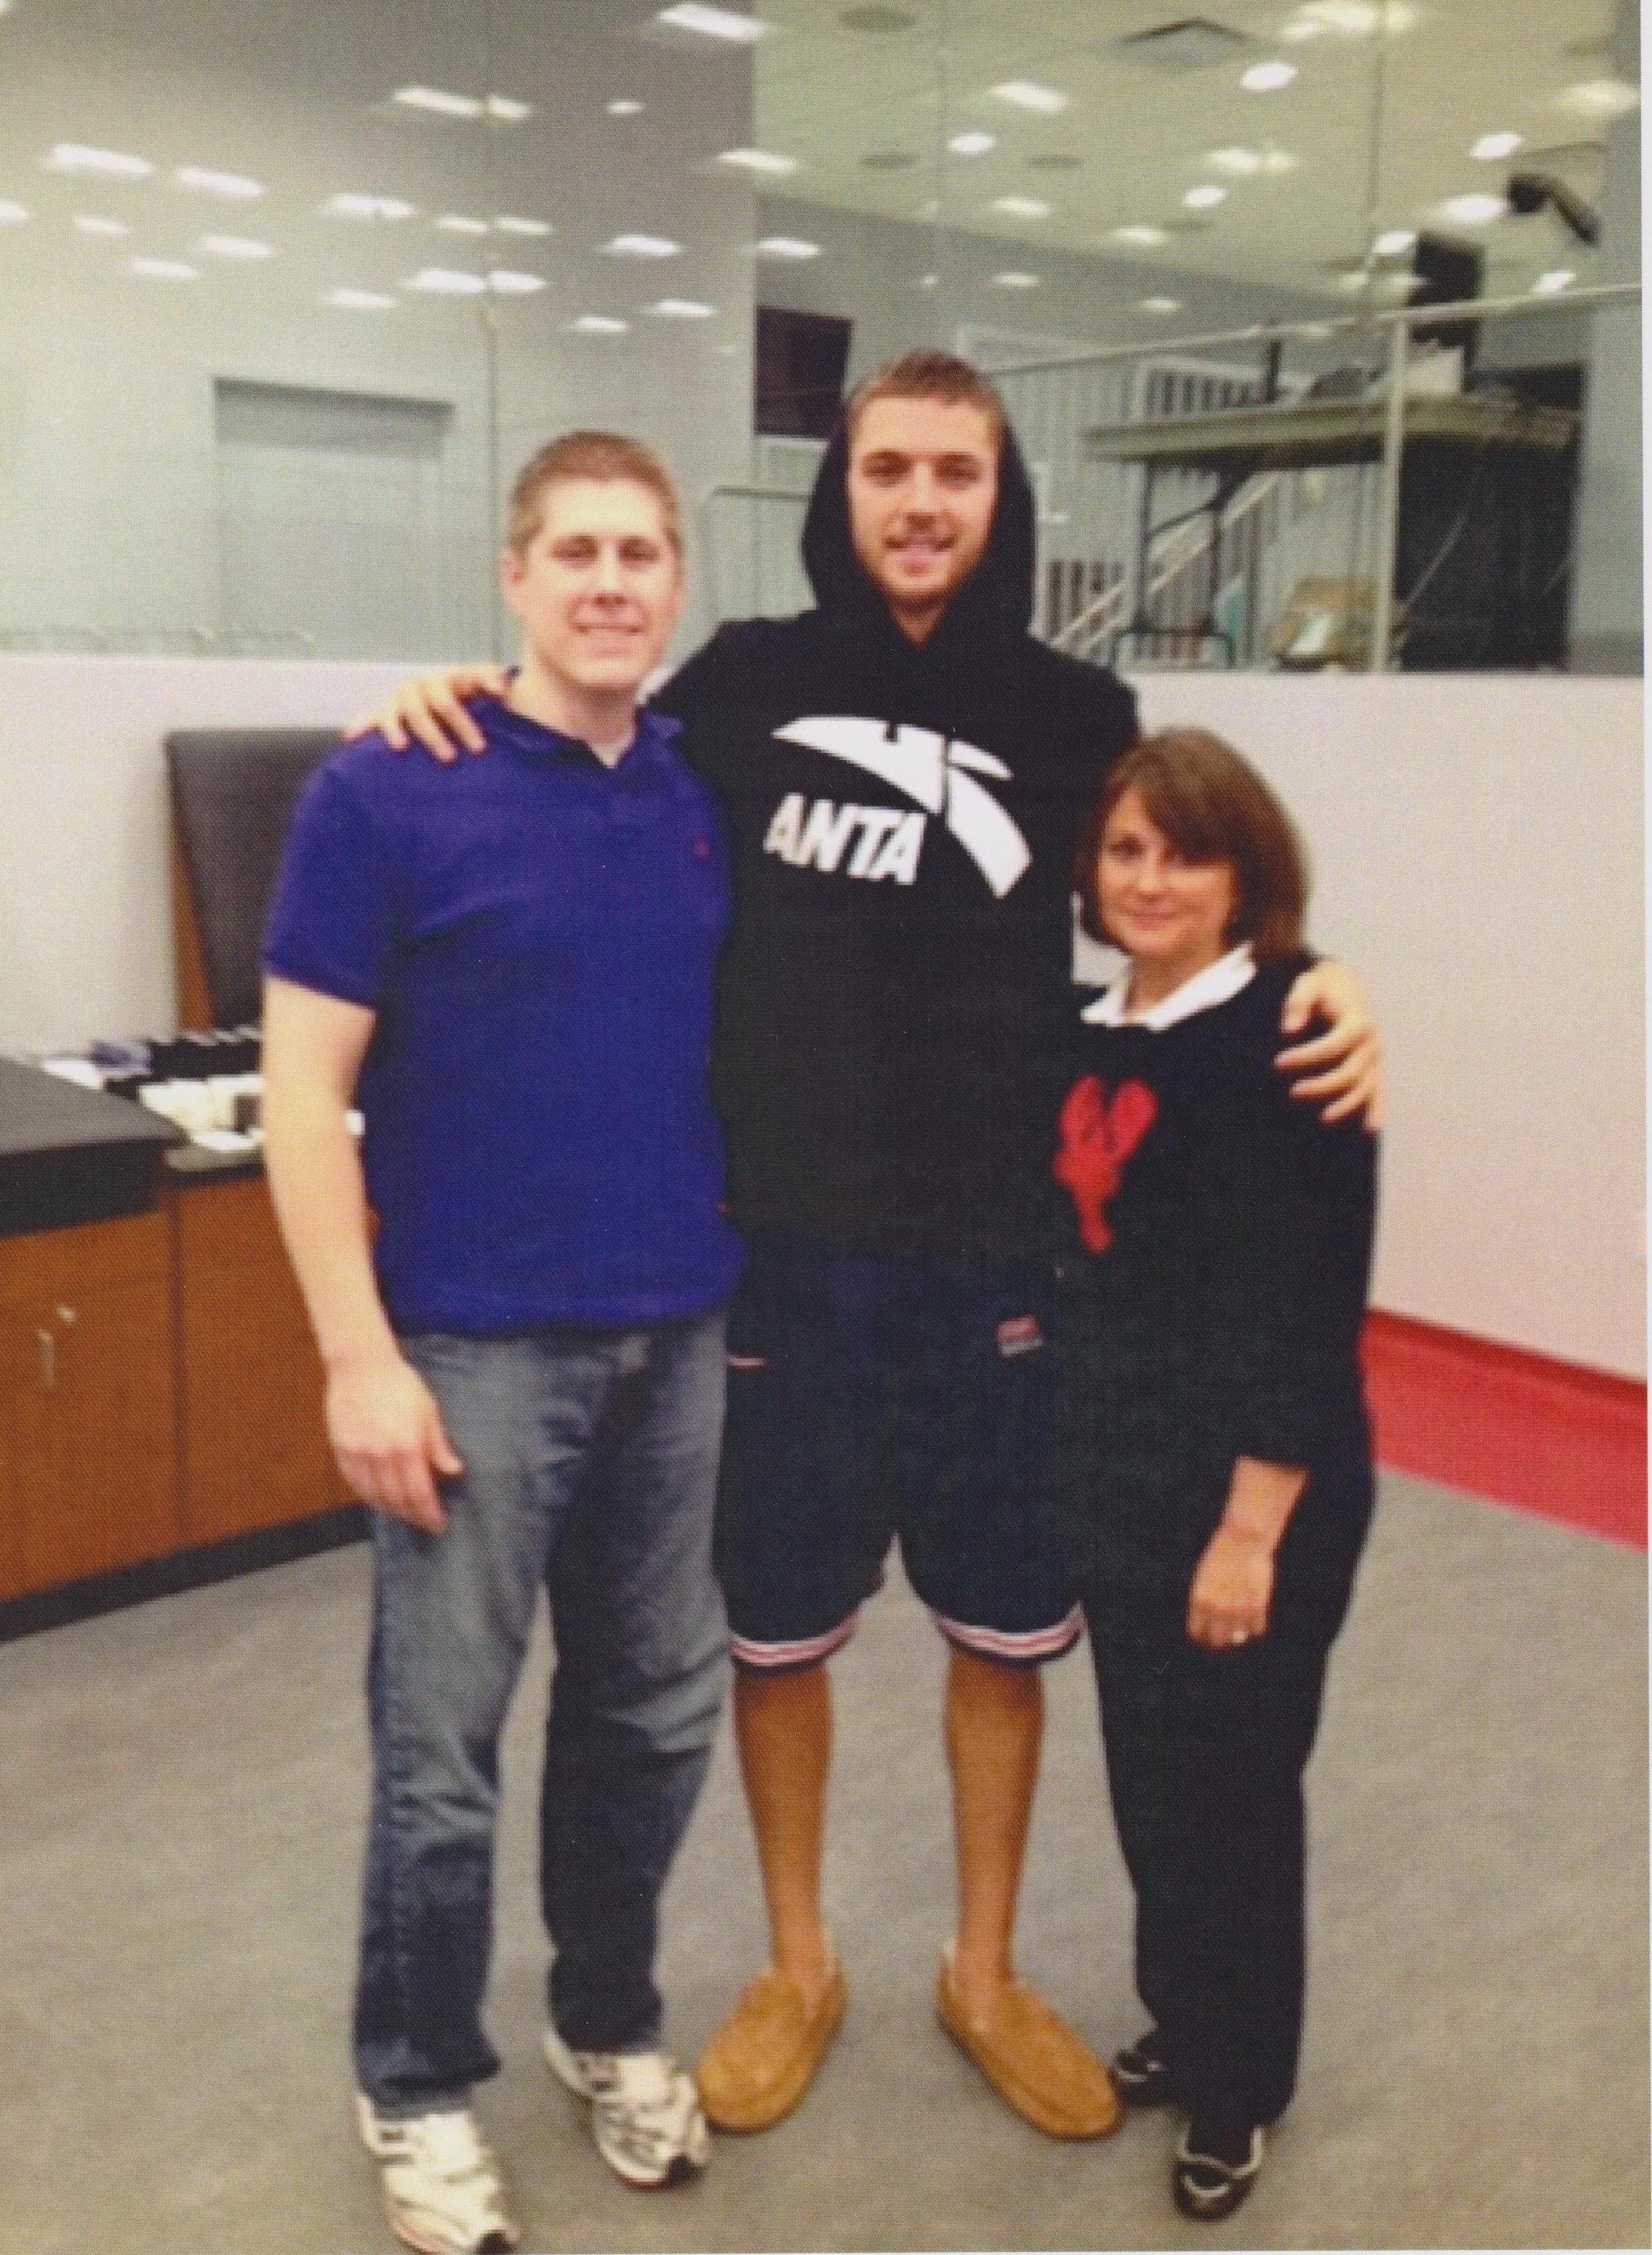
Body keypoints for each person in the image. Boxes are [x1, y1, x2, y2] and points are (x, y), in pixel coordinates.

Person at [348, 352, 1383, 2146]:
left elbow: (1178, 884)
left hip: (1003, 1269)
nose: (921, 503)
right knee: (778, 1638)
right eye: (890, 468)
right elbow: (580, 741)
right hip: (787, 1266)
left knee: (1004, 1638)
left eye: (958, 476)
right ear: (843, 488)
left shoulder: (1077, 709)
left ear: (1001, 499)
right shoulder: (745, 681)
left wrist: (1316, 973)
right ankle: (798, 1960)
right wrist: (450, 694)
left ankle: (981, 1972)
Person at [262, 432, 742, 2255]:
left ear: (676, 583)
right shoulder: (390, 784)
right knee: (441, 1749)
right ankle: (414, 2082)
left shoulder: (698, 787)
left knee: (648, 1720)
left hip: (677, 1333)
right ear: (515, 577)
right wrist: (354, 1358)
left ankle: (604, 2021)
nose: (613, 583)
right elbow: (304, 1097)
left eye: (643, 554)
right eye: (578, 553)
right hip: (469, 1351)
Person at [1043, 730, 1378, 2223]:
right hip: (1119, 1471)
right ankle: (1188, 2019)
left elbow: (1313, 1303)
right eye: (1125, 850)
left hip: (1257, 1492)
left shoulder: (1293, 1036)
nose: (1152, 879)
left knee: (1236, 1790)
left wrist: (1250, 1528)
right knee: (1151, 1780)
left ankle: (1243, 2091)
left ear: (1245, 875)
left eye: (1185, 852)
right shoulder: (1088, 1027)